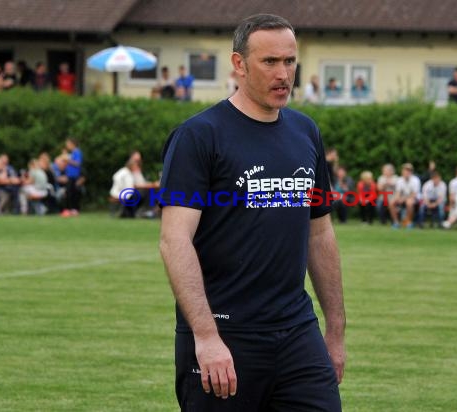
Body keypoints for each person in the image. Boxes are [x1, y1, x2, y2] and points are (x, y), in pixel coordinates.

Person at [159, 14, 345, 410]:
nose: (284, 74)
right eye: (270, 62)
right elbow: (175, 240)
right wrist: (206, 337)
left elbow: (320, 234)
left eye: (290, 62)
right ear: (239, 64)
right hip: (227, 334)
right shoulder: (199, 136)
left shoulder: (305, 132)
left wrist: (336, 331)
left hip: (297, 333)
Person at [389, 163, 420, 229]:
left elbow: (414, 194)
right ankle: (396, 222)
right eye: (405, 170)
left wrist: (403, 199)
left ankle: (409, 222)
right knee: (391, 202)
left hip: (414, 198)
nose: (406, 172)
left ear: (411, 172)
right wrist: (398, 198)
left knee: (409, 203)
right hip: (403, 198)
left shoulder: (415, 180)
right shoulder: (400, 180)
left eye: (408, 170)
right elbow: (398, 192)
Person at [62, 138, 83, 217]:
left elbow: (77, 163)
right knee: (69, 193)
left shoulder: (77, 152)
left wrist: (67, 160)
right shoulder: (73, 153)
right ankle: (70, 210)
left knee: (72, 193)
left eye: (67, 144)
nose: (67, 146)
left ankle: (73, 210)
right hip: (70, 175)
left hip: (74, 176)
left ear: (72, 144)